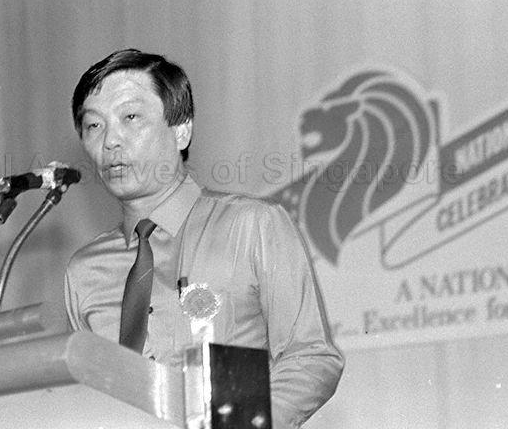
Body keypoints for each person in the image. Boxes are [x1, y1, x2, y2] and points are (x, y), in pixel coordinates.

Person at [64, 49, 343, 428]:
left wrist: (241, 424)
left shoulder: (252, 226)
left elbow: (312, 357)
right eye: (94, 126)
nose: (111, 141)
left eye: (131, 117)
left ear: (181, 130)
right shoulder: (84, 271)